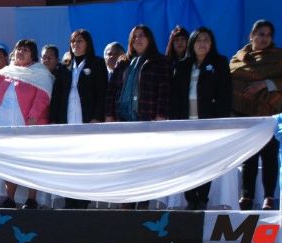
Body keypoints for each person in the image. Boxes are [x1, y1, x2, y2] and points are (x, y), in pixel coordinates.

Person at [0, 39, 53, 210]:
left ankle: (31, 199)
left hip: (28, 126)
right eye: (18, 49)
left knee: (30, 162)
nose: (20, 52)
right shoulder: (4, 72)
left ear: (33, 55)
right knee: (8, 162)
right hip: (2, 125)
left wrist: (34, 116)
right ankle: (10, 198)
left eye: (25, 50)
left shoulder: (40, 73)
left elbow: (43, 96)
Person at [106, 25, 170, 209]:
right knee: (127, 166)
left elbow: (164, 91)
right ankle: (127, 204)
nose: (138, 40)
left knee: (145, 166)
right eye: (134, 37)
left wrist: (160, 116)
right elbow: (112, 91)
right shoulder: (123, 62)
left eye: (142, 36)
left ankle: (142, 205)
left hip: (147, 121)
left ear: (150, 39)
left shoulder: (159, 61)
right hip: (123, 122)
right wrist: (110, 115)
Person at [170, 27, 232, 210]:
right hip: (185, 123)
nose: (202, 43)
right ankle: (190, 198)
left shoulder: (219, 63)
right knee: (187, 162)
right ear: (192, 43)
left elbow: (225, 94)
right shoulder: (182, 66)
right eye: (198, 40)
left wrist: (219, 122)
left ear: (211, 44)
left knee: (206, 162)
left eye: (206, 40)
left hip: (208, 123)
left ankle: (202, 197)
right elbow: (174, 98)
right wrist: (174, 123)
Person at [230, 19, 282, 211]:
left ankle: (269, 197)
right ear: (251, 36)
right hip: (243, 113)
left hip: (270, 113)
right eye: (261, 34)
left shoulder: (278, 57)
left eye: (268, 35)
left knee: (269, 156)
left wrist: (265, 84)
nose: (264, 38)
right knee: (249, 156)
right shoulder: (237, 58)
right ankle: (247, 196)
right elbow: (231, 81)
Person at [55, 30, 108, 209]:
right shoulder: (64, 66)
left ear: (88, 43)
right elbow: (57, 96)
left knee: (85, 162)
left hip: (88, 121)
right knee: (68, 163)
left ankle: (83, 201)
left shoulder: (97, 63)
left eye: (80, 41)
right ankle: (69, 200)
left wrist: (96, 117)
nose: (76, 44)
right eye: (73, 41)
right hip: (68, 121)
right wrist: (56, 122)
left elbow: (102, 94)